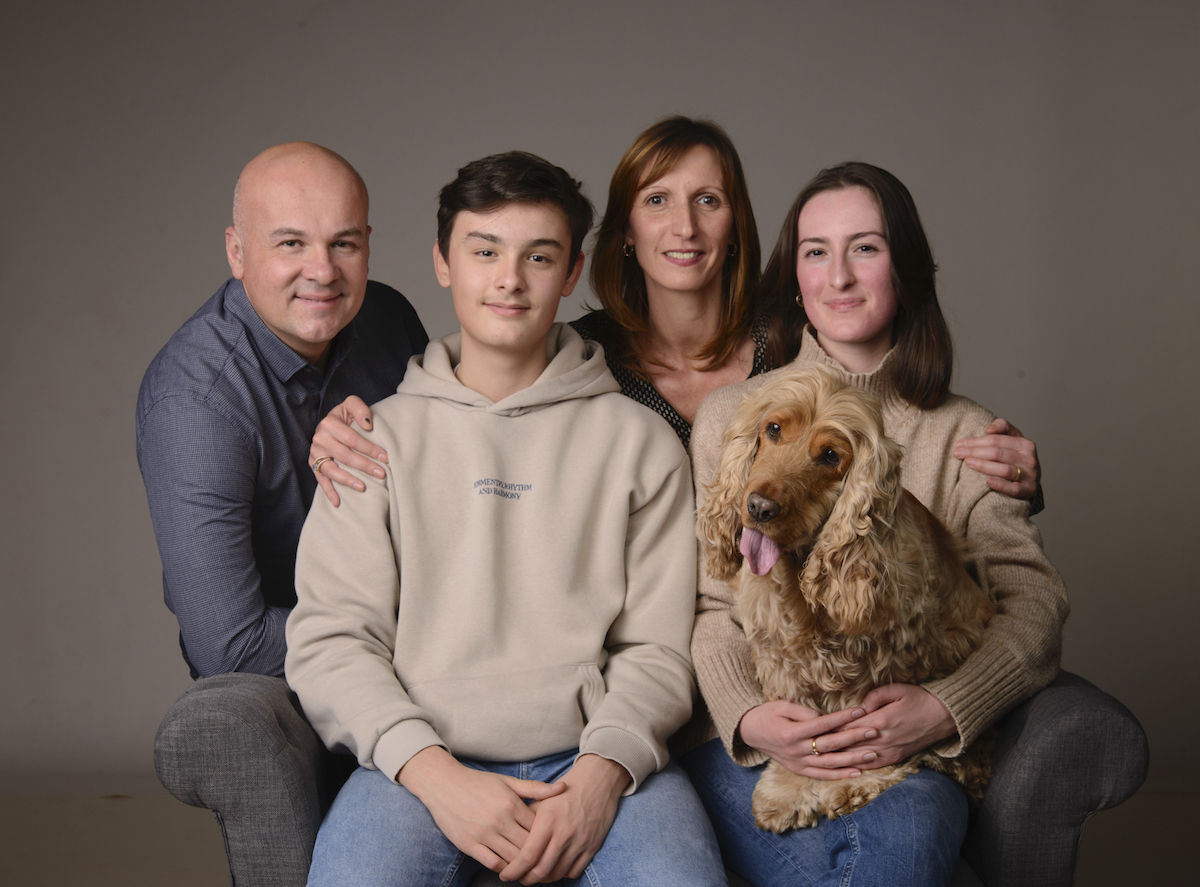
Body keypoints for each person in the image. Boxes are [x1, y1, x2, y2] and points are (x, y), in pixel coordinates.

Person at [285, 151, 727, 886]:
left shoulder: (639, 441)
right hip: (420, 764)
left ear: (573, 272)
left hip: (592, 756)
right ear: (442, 262)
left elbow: (659, 648)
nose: (509, 279)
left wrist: (601, 776)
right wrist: (432, 773)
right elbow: (332, 638)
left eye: (539, 256)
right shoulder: (372, 442)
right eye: (484, 251)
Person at [308, 117, 1040, 508]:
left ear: (735, 228)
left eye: (708, 201)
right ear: (625, 232)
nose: (684, 227)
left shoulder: (796, 339)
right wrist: (356, 422)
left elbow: (894, 423)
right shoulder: (580, 356)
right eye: (657, 201)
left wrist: (1008, 474)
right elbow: (480, 382)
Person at [679, 162, 1070, 887]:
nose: (840, 277)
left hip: (906, 749)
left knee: (907, 839)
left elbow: (1035, 602)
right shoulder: (736, 417)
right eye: (816, 251)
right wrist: (747, 716)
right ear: (794, 276)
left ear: (907, 269)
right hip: (762, 738)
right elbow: (711, 601)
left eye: (866, 247)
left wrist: (944, 707)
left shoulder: (969, 434)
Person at [136, 142, 427, 679]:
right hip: (290, 667)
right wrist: (423, 641)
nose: (322, 271)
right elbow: (230, 646)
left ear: (367, 245)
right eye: (291, 243)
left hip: (427, 629)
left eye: (343, 243)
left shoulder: (388, 318)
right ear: (237, 252)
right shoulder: (195, 401)